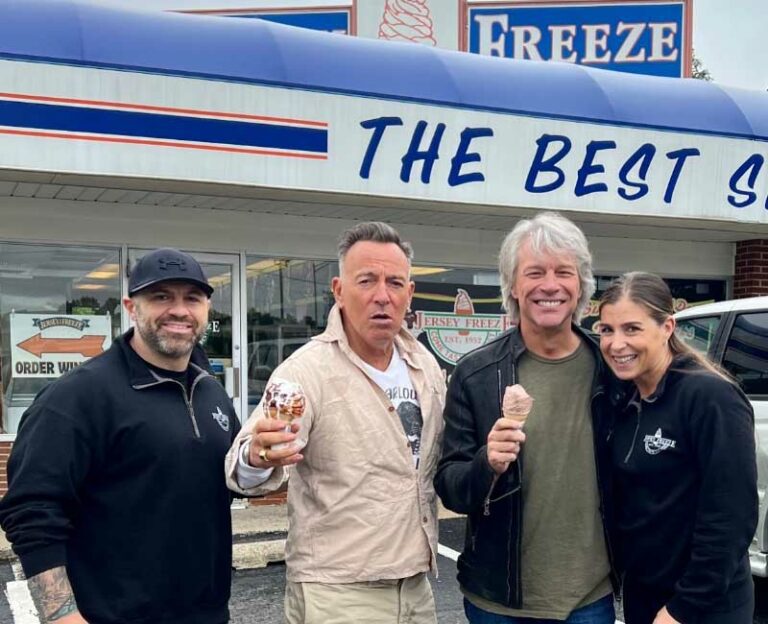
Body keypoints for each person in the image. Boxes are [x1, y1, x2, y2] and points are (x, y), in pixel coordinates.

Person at [0, 248, 240, 624]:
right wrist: (62, 616)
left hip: (206, 614)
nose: (179, 310)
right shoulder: (78, 396)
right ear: (131, 307)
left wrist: (260, 464)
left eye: (192, 298)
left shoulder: (210, 390)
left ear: (207, 309)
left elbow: (227, 481)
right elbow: (32, 510)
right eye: (161, 296)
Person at [225, 222, 446, 624]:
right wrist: (258, 456)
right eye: (366, 280)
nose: (382, 295)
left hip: (415, 587)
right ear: (339, 290)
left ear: (409, 294)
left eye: (395, 283)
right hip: (338, 591)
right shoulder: (306, 371)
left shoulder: (424, 365)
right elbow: (241, 467)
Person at [434, 212, 618, 623]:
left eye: (563, 272)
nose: (549, 285)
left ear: (580, 286)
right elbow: (451, 487)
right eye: (534, 272)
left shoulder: (611, 370)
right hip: (497, 602)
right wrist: (487, 463)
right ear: (513, 286)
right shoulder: (477, 374)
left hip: (588, 600)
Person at [597, 272, 757, 624]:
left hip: (704, 608)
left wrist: (683, 608)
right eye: (606, 330)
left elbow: (731, 517)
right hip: (645, 598)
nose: (616, 343)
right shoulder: (624, 399)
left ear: (668, 327)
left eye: (632, 329)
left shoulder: (711, 397)